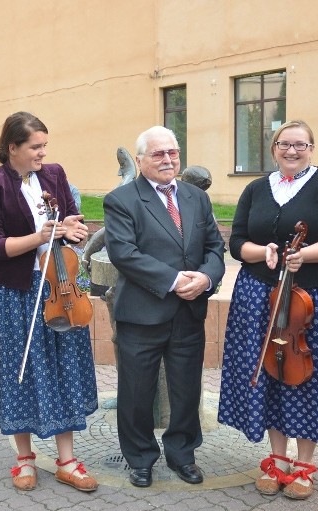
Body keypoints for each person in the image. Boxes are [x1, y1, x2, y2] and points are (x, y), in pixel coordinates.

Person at [217, 120, 318, 500]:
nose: (291, 151)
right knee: (270, 371)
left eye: (300, 144)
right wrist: (262, 252)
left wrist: (302, 256)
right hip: (259, 293)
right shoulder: (255, 188)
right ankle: (278, 460)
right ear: (274, 148)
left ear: (312, 147)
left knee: (309, 373)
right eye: (284, 144)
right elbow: (237, 242)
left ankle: (304, 465)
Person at [0, 111, 98, 492]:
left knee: (62, 369)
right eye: (34, 147)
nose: (43, 153)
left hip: (58, 286)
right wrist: (39, 237)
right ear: (12, 148)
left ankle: (68, 460)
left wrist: (73, 229)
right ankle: (24, 459)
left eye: (45, 145)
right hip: (13, 291)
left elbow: (67, 221)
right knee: (19, 370)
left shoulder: (53, 175)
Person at [103, 125, 225, 488]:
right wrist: (176, 282)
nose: (168, 159)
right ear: (139, 161)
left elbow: (215, 247)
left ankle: (182, 455)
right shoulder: (121, 199)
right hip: (142, 314)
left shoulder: (195, 198)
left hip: (189, 313)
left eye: (173, 152)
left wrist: (205, 279)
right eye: (158, 154)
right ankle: (140, 458)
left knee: (186, 391)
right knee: (137, 392)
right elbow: (125, 253)